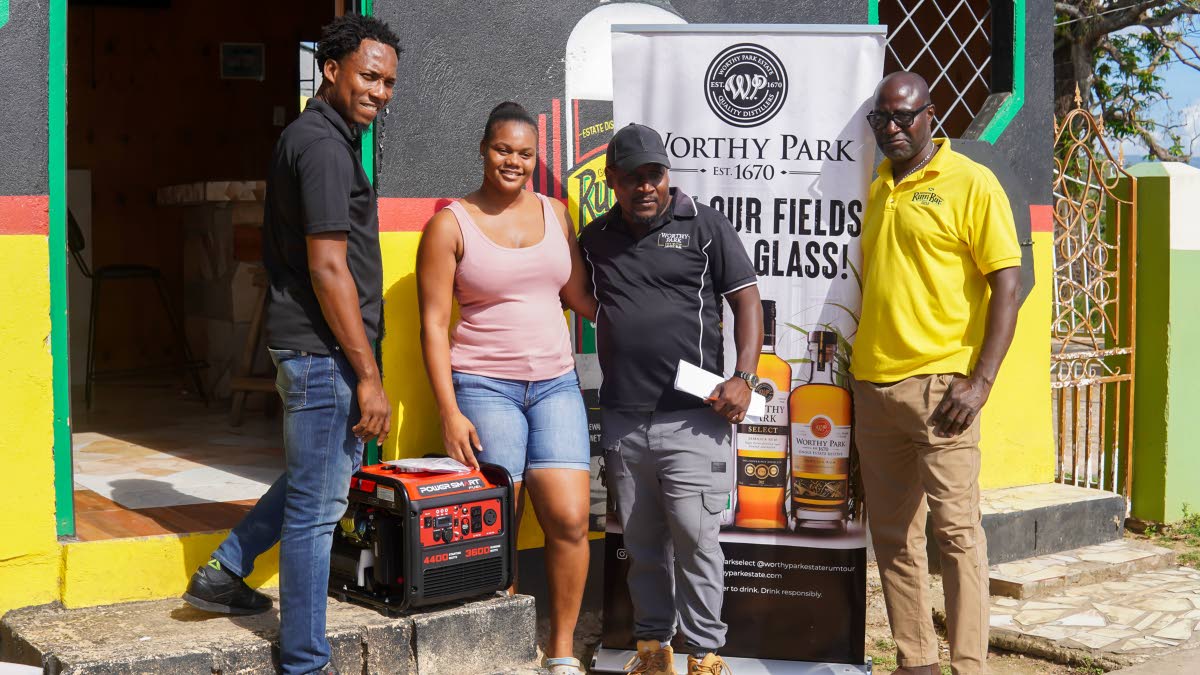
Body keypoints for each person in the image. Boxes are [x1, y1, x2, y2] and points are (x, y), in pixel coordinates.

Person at [180, 15, 400, 675]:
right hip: (322, 350)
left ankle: (226, 570)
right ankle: (305, 660)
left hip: (314, 346)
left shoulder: (316, 137)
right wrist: (368, 374)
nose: (380, 90)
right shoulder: (326, 148)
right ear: (330, 70)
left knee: (316, 477)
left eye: (388, 81)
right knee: (316, 509)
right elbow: (329, 266)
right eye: (369, 75)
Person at [415, 102, 596, 675]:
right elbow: (433, 323)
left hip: (556, 385)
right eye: (502, 150)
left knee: (569, 518)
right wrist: (448, 410)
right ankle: (509, 647)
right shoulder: (451, 224)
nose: (512, 162)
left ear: (535, 158)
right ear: (483, 149)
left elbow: (580, 298)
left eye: (524, 153)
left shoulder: (557, 215)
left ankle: (561, 651)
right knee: (502, 519)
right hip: (483, 386)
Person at [850, 72, 1021, 675]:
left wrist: (981, 381)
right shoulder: (877, 187)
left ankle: (968, 665)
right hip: (873, 388)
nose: (893, 129)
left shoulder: (971, 183)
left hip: (942, 390)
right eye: (882, 120)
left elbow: (1008, 283)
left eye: (904, 117)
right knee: (894, 538)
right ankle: (916, 662)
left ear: (930, 114)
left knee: (956, 536)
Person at [580, 123, 763, 675]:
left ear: (668, 175)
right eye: (632, 177)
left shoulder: (704, 225)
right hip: (624, 419)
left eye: (654, 175)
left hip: (694, 419)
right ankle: (653, 651)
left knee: (697, 539)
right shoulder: (594, 237)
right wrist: (613, 321)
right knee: (640, 545)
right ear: (612, 179)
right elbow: (574, 291)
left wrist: (745, 377)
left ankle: (705, 653)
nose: (645, 187)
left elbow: (747, 300)